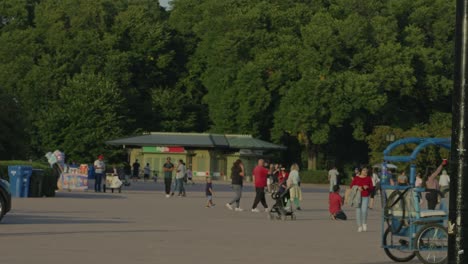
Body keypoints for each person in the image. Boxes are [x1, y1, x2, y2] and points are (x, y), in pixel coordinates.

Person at [350, 167, 374, 232]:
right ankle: (359, 226)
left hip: (365, 196)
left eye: (366, 170)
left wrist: (367, 187)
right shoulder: (356, 178)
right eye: (364, 170)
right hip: (357, 197)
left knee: (364, 210)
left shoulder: (368, 178)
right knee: (358, 211)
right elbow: (351, 186)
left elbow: (372, 188)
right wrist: (358, 187)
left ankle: (364, 223)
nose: (365, 171)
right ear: (361, 171)